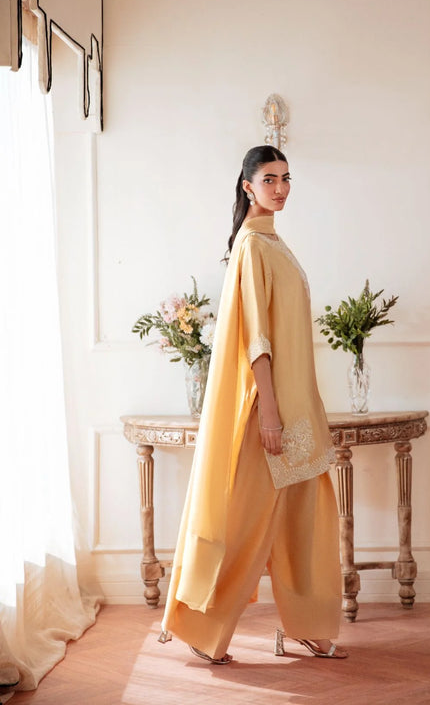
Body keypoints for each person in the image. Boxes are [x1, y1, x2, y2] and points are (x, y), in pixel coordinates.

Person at [159, 145, 347, 663]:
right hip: (273, 415)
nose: (280, 188)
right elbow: (256, 339)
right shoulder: (251, 246)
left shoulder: (273, 241)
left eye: (286, 178)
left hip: (299, 408)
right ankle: (201, 628)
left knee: (305, 522)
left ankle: (308, 627)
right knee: (243, 523)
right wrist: (269, 414)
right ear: (248, 186)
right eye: (269, 179)